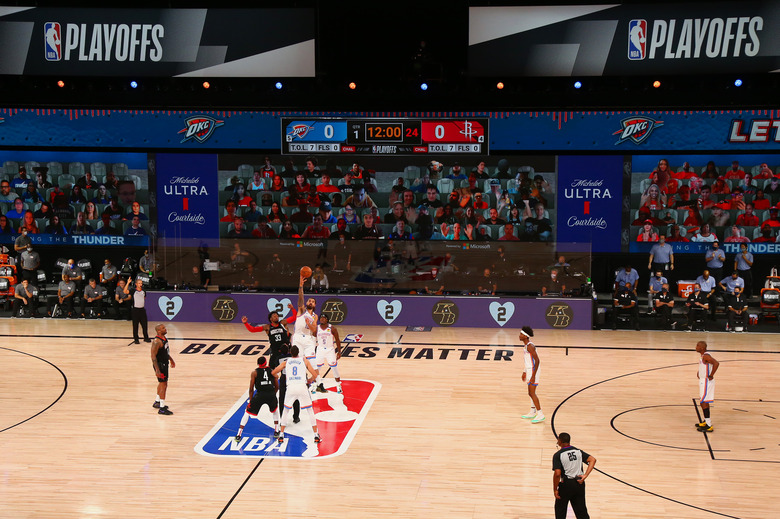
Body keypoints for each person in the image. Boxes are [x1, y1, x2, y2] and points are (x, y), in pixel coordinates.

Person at [242, 307, 300, 423]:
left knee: (289, 369)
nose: (276, 317)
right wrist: (246, 324)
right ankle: (270, 390)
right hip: (274, 353)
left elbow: (294, 318)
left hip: (285, 351)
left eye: (276, 315)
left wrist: (293, 309)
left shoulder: (283, 323)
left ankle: (292, 382)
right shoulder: (267, 327)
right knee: (270, 373)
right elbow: (253, 330)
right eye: (273, 316)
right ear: (270, 318)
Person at [272, 345, 322, 445]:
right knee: (310, 411)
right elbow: (315, 374)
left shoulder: (286, 362)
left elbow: (273, 372)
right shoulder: (304, 360)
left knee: (285, 411)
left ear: (290, 352)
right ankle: (316, 435)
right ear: (298, 352)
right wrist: (310, 380)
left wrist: (277, 376)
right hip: (302, 387)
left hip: (290, 387)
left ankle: (281, 434)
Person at [235, 356, 281, 442]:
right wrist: (273, 394)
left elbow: (251, 388)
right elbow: (277, 385)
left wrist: (251, 401)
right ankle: (276, 431)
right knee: (275, 410)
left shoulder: (254, 373)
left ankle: (238, 434)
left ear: (258, 364)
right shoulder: (271, 371)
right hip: (270, 393)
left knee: (247, 412)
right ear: (266, 362)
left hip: (260, 394)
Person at [553, 431, 596, 519]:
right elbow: (592, 460)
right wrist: (585, 475)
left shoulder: (558, 455)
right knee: (581, 512)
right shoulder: (578, 451)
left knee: (560, 511)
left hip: (566, 485)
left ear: (559, 441)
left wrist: (555, 489)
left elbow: (557, 474)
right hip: (579, 482)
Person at [293, 272, 320, 395]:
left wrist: (308, 322)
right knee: (298, 361)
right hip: (298, 337)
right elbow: (300, 298)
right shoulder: (302, 309)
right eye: (309, 300)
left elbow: (314, 330)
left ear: (314, 305)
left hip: (309, 340)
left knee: (313, 364)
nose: (310, 302)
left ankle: (313, 382)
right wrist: (300, 285)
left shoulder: (315, 316)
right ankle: (300, 381)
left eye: (313, 301)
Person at [519, 326, 544, 423]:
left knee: (532, 393)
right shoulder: (525, 346)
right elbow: (528, 361)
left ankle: (540, 413)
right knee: (530, 392)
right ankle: (532, 412)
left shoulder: (530, 346)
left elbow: (537, 360)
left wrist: (533, 375)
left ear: (525, 336)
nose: (519, 336)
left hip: (534, 371)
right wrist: (524, 371)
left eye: (521, 334)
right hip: (530, 371)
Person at [313, 313, 343, 394]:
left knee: (334, 368)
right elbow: (312, 339)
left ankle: (338, 385)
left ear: (327, 319)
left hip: (330, 350)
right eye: (321, 318)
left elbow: (337, 340)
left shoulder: (332, 328)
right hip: (320, 349)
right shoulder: (317, 328)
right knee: (317, 368)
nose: (322, 319)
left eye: (324, 318)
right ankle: (316, 385)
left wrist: (339, 351)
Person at [151, 324, 175, 415]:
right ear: (159, 331)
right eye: (163, 328)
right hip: (160, 365)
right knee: (163, 384)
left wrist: (171, 360)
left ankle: (157, 402)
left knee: (162, 383)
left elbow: (165, 352)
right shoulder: (157, 341)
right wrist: (157, 370)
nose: (165, 329)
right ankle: (162, 408)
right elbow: (153, 356)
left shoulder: (164, 338)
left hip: (165, 363)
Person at [695, 341, 719, 432]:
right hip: (703, 381)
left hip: (706, 381)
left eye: (697, 346)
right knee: (703, 402)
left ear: (702, 348)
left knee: (703, 402)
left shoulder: (706, 356)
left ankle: (709, 425)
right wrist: (699, 372)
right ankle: (706, 421)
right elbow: (706, 366)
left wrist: (711, 375)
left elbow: (716, 363)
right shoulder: (703, 356)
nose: (696, 347)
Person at [124, 277, 150, 344]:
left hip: (142, 310)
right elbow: (125, 291)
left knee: (144, 325)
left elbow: (144, 298)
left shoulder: (143, 291)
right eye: (139, 283)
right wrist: (128, 283)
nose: (140, 284)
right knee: (135, 325)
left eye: (141, 283)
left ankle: (146, 337)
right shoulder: (133, 290)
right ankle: (136, 339)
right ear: (136, 284)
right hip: (135, 310)